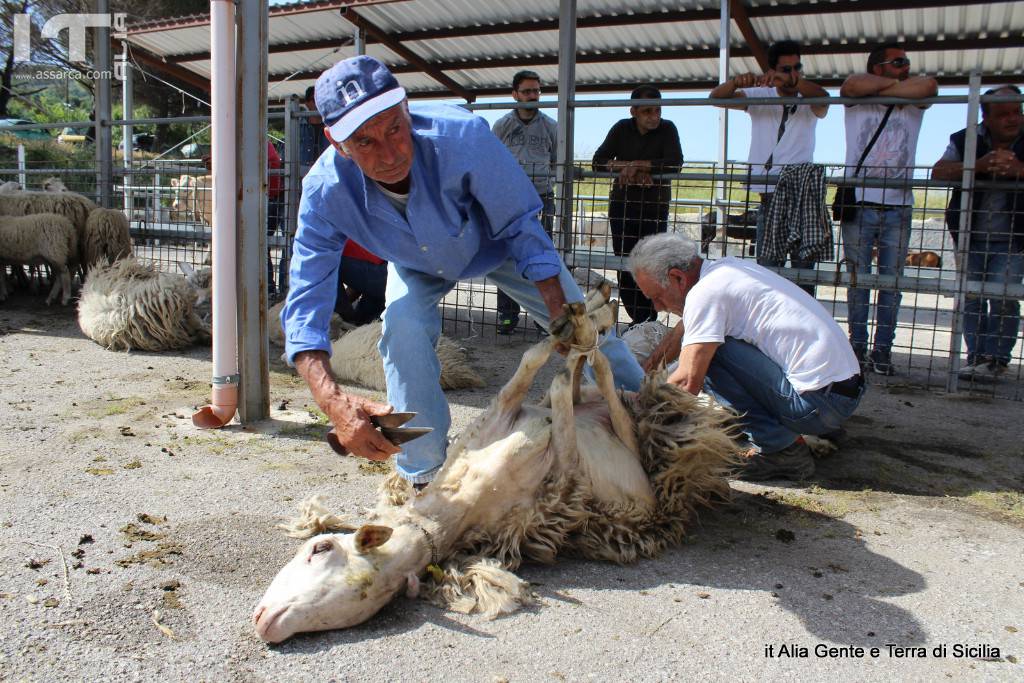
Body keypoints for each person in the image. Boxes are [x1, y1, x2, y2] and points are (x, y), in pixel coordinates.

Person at [282, 56, 644, 486]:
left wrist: (556, 305)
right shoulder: (325, 191)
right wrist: (332, 401)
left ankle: (656, 415)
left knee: (589, 329)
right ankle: (422, 474)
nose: (390, 154)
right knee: (401, 332)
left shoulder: (463, 136)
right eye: (365, 142)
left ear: (406, 108)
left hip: (499, 245)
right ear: (336, 142)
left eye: (395, 129)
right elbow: (307, 298)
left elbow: (519, 222)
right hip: (415, 262)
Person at [628, 232, 865, 481]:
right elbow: (685, 327)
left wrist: (636, 416)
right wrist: (647, 369)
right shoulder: (726, 271)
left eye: (657, 297)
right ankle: (804, 430)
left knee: (711, 354)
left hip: (819, 407)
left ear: (678, 277)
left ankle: (782, 451)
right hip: (841, 395)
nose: (658, 308)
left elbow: (687, 383)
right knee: (708, 343)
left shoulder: (705, 295)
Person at [839, 44, 938, 375]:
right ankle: (856, 348)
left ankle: (882, 351)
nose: (907, 67)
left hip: (899, 206)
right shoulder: (859, 98)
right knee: (858, 281)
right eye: (899, 62)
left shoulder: (912, 99)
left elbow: (930, 86)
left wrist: (894, 86)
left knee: (891, 284)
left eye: (907, 62)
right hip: (861, 202)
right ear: (877, 68)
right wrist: (897, 89)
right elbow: (851, 85)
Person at [709, 40, 829, 295]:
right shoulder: (759, 95)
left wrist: (795, 84)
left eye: (797, 68)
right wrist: (737, 82)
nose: (792, 75)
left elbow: (823, 100)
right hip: (770, 195)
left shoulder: (810, 96)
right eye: (786, 70)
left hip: (802, 195)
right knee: (768, 272)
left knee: (804, 271)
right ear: (773, 71)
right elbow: (716, 98)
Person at [933, 85, 1024, 379]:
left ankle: (995, 359)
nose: (1013, 119)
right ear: (986, 118)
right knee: (970, 297)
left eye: (1017, 111)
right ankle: (977, 357)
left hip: (1014, 238)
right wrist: (977, 166)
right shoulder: (965, 138)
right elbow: (939, 171)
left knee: (1003, 297)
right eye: (1003, 114)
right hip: (968, 235)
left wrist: (1020, 170)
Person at [592, 86, 682, 324]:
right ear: (634, 112)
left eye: (657, 111)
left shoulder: (668, 128)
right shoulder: (621, 128)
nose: (654, 117)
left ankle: (648, 318)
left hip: (654, 207)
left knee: (653, 263)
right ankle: (638, 317)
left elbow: (675, 163)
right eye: (647, 112)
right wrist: (629, 167)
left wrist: (639, 166)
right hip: (624, 206)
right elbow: (597, 162)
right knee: (624, 262)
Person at [491, 70, 559, 335]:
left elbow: (557, 160)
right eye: (527, 91)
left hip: (542, 197)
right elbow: (493, 159)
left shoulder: (550, 126)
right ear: (515, 94)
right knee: (507, 255)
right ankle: (507, 315)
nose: (533, 96)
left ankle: (545, 318)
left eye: (536, 91)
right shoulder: (503, 125)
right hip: (510, 198)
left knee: (542, 256)